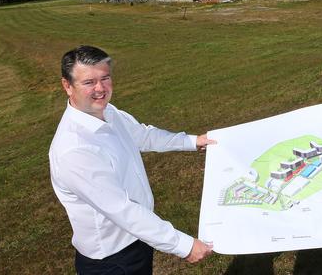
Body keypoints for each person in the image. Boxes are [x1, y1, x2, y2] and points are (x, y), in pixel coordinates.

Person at [49, 45, 215, 274]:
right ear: (67, 86)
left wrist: (193, 141)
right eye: (89, 82)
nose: (100, 89)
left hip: (137, 240)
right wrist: (184, 246)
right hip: (112, 260)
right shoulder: (75, 150)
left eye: (105, 78)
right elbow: (122, 210)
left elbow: (143, 135)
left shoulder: (107, 112)